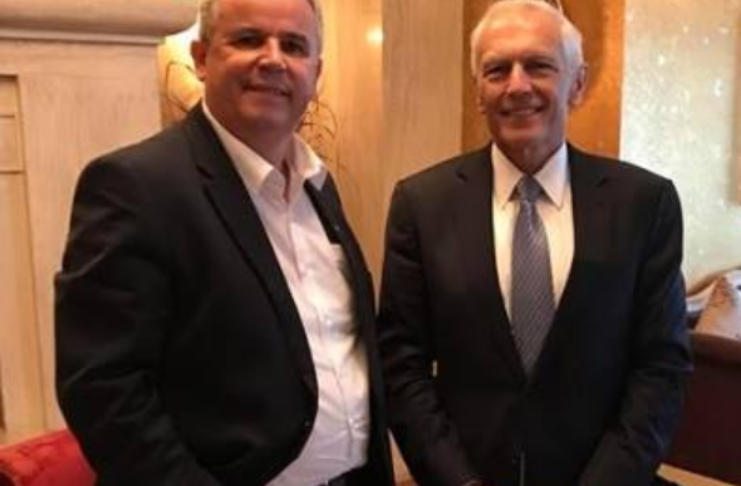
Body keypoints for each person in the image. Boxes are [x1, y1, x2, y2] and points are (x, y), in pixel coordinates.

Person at [55, 0, 394, 485]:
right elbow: (103, 389)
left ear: (315, 73)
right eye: (249, 39)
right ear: (201, 57)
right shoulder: (135, 185)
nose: (273, 59)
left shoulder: (319, 186)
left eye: (293, 46)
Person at [377, 1, 691, 486]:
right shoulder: (421, 205)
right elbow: (402, 365)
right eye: (497, 70)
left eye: (539, 66)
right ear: (478, 91)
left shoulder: (644, 204)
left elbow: (661, 365)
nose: (517, 85)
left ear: (577, 84)